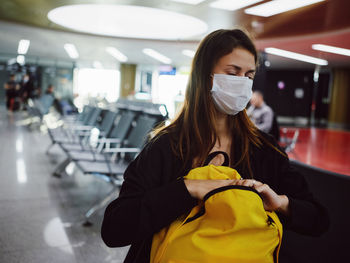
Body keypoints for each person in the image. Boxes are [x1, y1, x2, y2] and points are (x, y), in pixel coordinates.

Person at [101, 29, 329, 263]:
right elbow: (115, 228)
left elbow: (318, 219)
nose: (242, 84)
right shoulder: (167, 146)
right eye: (233, 73)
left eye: (249, 76)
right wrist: (188, 189)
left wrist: (281, 203)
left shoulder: (264, 150)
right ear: (204, 75)